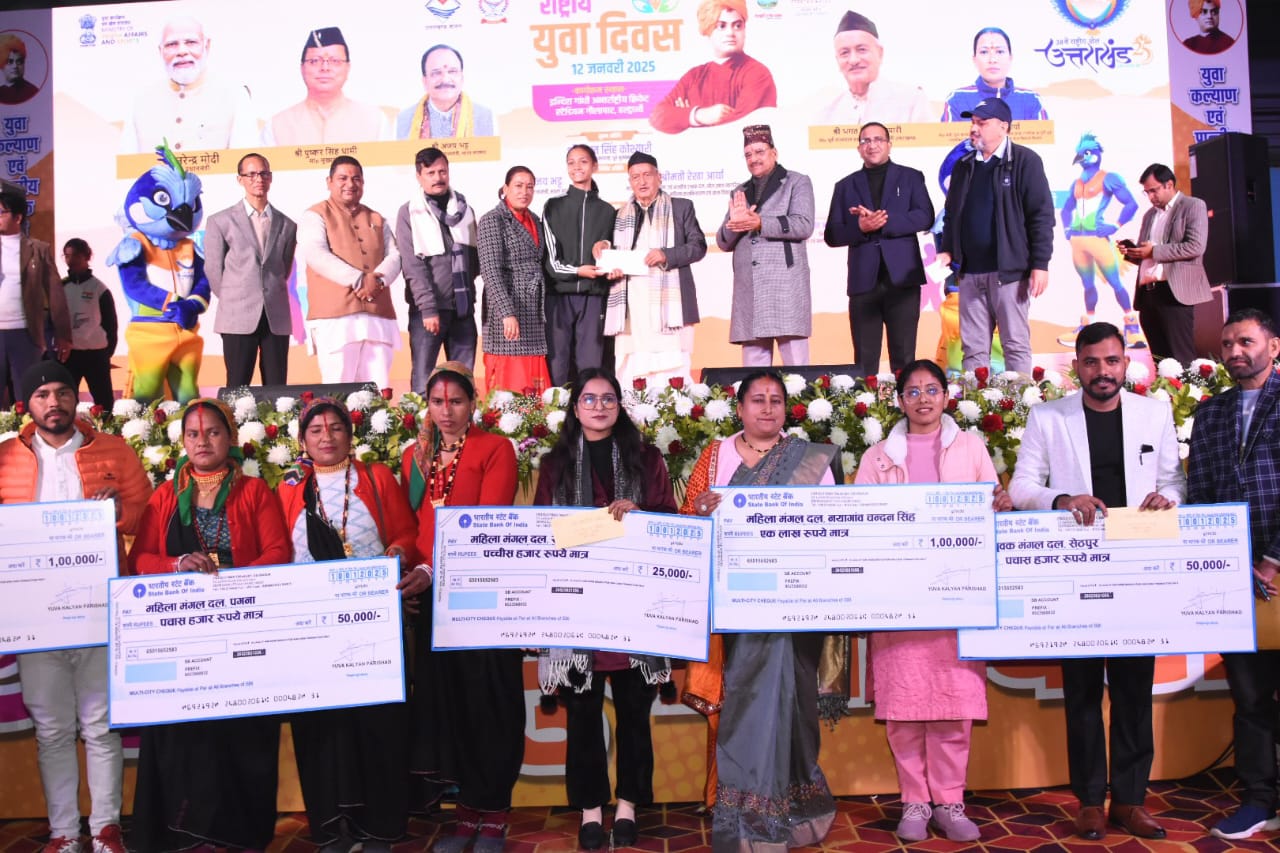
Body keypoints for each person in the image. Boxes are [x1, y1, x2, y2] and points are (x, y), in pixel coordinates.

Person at [1008, 322, 1184, 841]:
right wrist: (1062, 499)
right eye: (1091, 362)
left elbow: (1174, 480)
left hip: (1137, 567)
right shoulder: (1048, 417)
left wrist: (1168, 498)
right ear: (1077, 367)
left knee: (1134, 690)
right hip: (1076, 569)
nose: (1102, 371)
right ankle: (1089, 801)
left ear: (1125, 364)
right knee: (1082, 691)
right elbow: (1021, 487)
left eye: (1111, 361)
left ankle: (1130, 801)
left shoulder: (1154, 413)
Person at [854, 359, 1011, 842]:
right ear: (900, 400)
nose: (923, 399)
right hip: (899, 602)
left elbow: (992, 504)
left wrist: (1000, 502)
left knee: (952, 707)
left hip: (956, 600)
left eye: (931, 390)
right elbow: (860, 521)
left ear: (946, 397)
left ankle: (950, 801)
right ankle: (915, 802)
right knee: (904, 708)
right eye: (913, 391)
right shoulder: (877, 457)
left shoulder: (971, 447)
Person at [681, 370, 838, 853]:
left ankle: (794, 812)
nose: (767, 408)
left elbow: (834, 522)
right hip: (738, 608)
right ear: (740, 408)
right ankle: (749, 821)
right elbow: (687, 522)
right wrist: (701, 511)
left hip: (797, 605)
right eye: (757, 400)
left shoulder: (809, 459)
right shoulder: (716, 456)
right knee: (747, 703)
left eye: (775, 400)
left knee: (795, 704)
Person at [0, 360, 152, 853]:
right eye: (42, 394)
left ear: (76, 399)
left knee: (101, 725)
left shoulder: (114, 450)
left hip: (100, 612)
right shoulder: (5, 457)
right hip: (34, 619)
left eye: (62, 393)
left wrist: (119, 511)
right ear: (27, 404)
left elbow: (145, 517)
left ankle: (106, 829)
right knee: (52, 730)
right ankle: (64, 832)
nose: (54, 403)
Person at [126, 398, 289, 853]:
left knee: (242, 733)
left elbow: (279, 553)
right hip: (184, 636)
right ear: (182, 442)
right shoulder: (165, 496)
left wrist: (233, 586)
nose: (203, 441)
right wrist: (176, 564)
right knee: (186, 734)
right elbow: (139, 560)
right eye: (194, 434)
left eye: (213, 432)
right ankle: (186, 833)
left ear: (230, 438)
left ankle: (239, 834)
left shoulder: (254, 491)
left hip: (243, 626)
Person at [534, 369, 677, 850]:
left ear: (620, 406)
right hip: (578, 610)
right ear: (575, 409)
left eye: (608, 399)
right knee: (582, 715)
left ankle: (629, 805)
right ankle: (591, 809)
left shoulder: (646, 458)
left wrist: (642, 518)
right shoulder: (554, 464)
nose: (599, 407)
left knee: (635, 715)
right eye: (590, 399)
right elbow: (541, 530)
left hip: (635, 608)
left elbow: (671, 521)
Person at [277, 398, 418, 853]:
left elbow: (407, 533)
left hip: (372, 623)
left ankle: (380, 826)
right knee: (321, 728)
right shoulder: (289, 489)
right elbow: (280, 553)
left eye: (335, 428)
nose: (326, 437)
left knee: (377, 726)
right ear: (303, 440)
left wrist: (396, 554)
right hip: (312, 628)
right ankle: (331, 826)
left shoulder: (375, 478)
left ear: (349, 434)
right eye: (316, 430)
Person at [398, 362, 521, 853]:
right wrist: (409, 565)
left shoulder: (495, 449)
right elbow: (410, 528)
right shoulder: (414, 457)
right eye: (437, 402)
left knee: (488, 704)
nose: (446, 411)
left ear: (473, 404)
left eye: (455, 401)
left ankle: (494, 814)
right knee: (449, 707)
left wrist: (432, 569)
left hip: (482, 594)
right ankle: (466, 813)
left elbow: (487, 524)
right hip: (433, 599)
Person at [1187, 309, 1280, 840]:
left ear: (1273, 347)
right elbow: (1200, 493)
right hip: (1234, 578)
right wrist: (1225, 558)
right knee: (1249, 699)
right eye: (1226, 344)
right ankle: (1259, 800)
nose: (1234, 352)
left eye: (1246, 341)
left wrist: (1272, 559)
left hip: (1276, 568)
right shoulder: (1211, 412)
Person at [935, 98, 1054, 375]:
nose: (974, 128)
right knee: (973, 349)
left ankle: (1019, 400)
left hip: (1009, 273)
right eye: (973, 122)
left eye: (982, 122)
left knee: (1015, 345)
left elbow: (1041, 215)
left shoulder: (1025, 161)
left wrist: (1040, 264)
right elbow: (952, 214)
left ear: (1004, 126)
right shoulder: (964, 166)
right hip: (969, 274)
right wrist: (948, 249)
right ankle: (976, 402)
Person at [823, 122, 934, 376]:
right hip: (864, 282)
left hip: (903, 280)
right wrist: (860, 227)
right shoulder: (845, 185)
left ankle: (906, 401)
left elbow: (925, 216)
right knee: (864, 361)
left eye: (878, 139)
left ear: (889, 145)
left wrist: (884, 221)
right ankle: (866, 402)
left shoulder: (911, 177)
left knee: (904, 358)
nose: (872, 145)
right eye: (866, 141)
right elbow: (832, 234)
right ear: (859, 148)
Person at [602, 151, 706, 386]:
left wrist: (666, 254)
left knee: (672, 371)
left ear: (659, 177)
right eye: (635, 177)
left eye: (647, 175)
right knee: (632, 371)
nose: (642, 181)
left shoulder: (681, 207)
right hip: (633, 306)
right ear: (630, 182)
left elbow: (698, 246)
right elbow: (613, 254)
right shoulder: (619, 215)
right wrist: (609, 262)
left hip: (670, 306)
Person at [716, 125, 815, 367]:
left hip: (785, 284)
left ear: (774, 152)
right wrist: (735, 223)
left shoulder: (796, 182)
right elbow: (722, 241)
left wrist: (760, 222)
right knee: (754, 373)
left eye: (759, 152)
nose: (754, 159)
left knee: (797, 367)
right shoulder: (740, 191)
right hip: (749, 288)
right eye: (748, 155)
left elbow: (804, 225)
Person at [299, 155, 402, 386]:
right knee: (338, 389)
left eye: (356, 179)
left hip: (377, 316)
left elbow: (395, 255)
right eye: (342, 178)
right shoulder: (315, 215)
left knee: (378, 390)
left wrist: (379, 281)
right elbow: (316, 254)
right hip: (335, 320)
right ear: (329, 182)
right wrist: (359, 280)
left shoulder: (377, 218)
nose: (350, 184)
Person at [204, 153, 298, 387]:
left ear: (271, 177)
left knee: (277, 389)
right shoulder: (220, 221)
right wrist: (234, 295)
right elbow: (213, 269)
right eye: (252, 174)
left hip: (275, 315)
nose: (259, 179)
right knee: (237, 386)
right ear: (240, 179)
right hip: (237, 314)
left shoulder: (287, 224)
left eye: (264, 174)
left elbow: (283, 268)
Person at [396, 147, 480, 389]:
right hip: (428, 312)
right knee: (423, 383)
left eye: (442, 171)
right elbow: (412, 266)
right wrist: (428, 308)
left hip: (463, 310)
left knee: (463, 382)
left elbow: (474, 261)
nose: (438, 178)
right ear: (419, 176)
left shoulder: (465, 210)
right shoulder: (409, 212)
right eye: (430, 173)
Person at [120, 17, 257, 153]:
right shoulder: (140, 100)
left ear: (206, 46)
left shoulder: (235, 95)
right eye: (171, 44)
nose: (182, 52)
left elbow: (247, 160)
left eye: (191, 42)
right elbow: (126, 163)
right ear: (160, 50)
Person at [1057, 133, 1142, 350]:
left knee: (1115, 283)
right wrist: (1067, 229)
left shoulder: (1109, 178)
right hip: (1078, 241)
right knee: (1087, 285)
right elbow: (1066, 209)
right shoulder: (1076, 183)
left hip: (1097, 238)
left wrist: (1115, 225)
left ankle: (1132, 326)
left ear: (1095, 154)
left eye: (1086, 153)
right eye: (1080, 153)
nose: (1082, 157)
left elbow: (1131, 204)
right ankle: (1088, 326)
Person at [1120, 163, 1210, 365]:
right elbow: (1147, 253)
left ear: (1169, 184)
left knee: (1181, 359)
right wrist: (1133, 252)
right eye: (1147, 192)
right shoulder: (1149, 215)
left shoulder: (1192, 206)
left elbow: (1195, 246)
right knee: (1160, 361)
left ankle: (1188, 388)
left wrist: (1153, 251)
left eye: (1154, 190)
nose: (1151, 197)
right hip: (1148, 294)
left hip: (1174, 292)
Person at [542, 144, 615, 387]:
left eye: (583, 161)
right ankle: (556, 409)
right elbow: (551, 262)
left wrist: (606, 246)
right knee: (557, 363)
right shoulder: (553, 206)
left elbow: (613, 250)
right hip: (558, 295)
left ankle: (589, 405)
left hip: (593, 297)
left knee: (591, 364)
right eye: (571, 162)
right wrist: (577, 270)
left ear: (594, 166)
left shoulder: (607, 211)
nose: (577, 167)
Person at [648, 0, 776, 134]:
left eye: (738, 26)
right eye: (721, 26)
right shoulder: (694, 76)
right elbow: (657, 116)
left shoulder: (757, 73)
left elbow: (745, 127)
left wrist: (683, 119)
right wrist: (699, 115)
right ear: (708, 30)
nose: (730, 33)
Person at [477, 166, 551, 393]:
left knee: (534, 384)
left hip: (532, 310)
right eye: (518, 186)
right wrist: (507, 313)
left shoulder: (535, 220)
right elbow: (490, 271)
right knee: (509, 385)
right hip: (507, 311)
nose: (524, 192)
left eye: (530, 187)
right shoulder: (493, 220)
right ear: (505, 188)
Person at [0, 180, 71, 408]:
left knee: (27, 394)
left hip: (25, 333)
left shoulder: (38, 249)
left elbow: (56, 294)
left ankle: (28, 430)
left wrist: (63, 334)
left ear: (18, 217)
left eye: (1, 212)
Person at [265, 27, 390, 145]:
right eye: (314, 61)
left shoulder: (375, 121)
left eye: (335, 61)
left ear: (348, 67)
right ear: (302, 68)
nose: (325, 68)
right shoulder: (276, 126)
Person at [813, 11, 930, 126]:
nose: (853, 60)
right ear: (837, 60)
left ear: (880, 53)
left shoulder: (912, 101)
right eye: (844, 53)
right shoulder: (826, 115)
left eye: (861, 50)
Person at [940, 27, 1048, 122]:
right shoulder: (958, 99)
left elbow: (1042, 139)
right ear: (974, 59)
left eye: (1000, 52)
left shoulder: (1031, 100)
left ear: (1010, 58)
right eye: (984, 52)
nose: (992, 59)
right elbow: (948, 139)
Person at [60, 239, 118, 409]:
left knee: (104, 401)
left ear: (87, 256)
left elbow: (111, 324)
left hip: (96, 354)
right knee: (66, 400)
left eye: (76, 255)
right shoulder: (61, 287)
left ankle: (106, 426)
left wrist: (106, 352)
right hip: (70, 354)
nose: (71, 260)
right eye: (67, 256)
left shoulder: (99, 288)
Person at [396, 45, 496, 139]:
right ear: (425, 81)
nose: (445, 79)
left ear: (462, 78)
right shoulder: (404, 119)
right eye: (436, 73)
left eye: (452, 71)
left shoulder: (484, 117)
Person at [0, 34, 40, 105]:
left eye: (19, 61)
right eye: (10, 62)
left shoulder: (32, 92)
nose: (15, 66)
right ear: (1, 64)